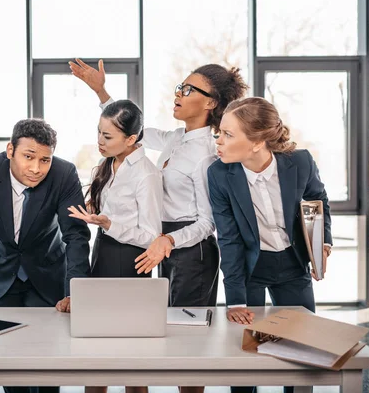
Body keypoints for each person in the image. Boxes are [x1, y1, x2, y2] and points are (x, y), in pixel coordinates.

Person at [69, 59, 247, 311]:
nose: (179, 94)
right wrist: (101, 92)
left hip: (191, 253)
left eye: (188, 90)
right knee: (164, 327)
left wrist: (170, 241)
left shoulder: (207, 153)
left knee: (185, 336)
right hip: (163, 245)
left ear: (210, 102)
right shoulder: (175, 138)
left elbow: (208, 223)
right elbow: (128, 130)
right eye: (180, 87)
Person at [0, 118, 91, 393]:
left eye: (45, 160)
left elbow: (75, 235)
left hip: (48, 272)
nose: (36, 168)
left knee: (48, 363)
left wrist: (76, 291)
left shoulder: (64, 174)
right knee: (8, 359)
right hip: (1, 272)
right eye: (28, 157)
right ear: (10, 150)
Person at [207, 97, 332, 393]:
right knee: (245, 356)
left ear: (257, 142)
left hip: (292, 262)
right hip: (250, 267)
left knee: (301, 352)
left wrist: (321, 244)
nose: (218, 141)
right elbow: (229, 238)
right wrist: (235, 297)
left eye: (228, 134)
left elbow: (318, 201)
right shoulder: (219, 175)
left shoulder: (299, 161)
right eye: (219, 133)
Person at [66, 99, 162, 393]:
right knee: (94, 358)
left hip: (130, 263)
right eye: (98, 133)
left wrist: (109, 224)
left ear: (131, 139)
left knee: (133, 361)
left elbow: (151, 236)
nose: (99, 141)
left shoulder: (146, 173)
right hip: (104, 254)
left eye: (107, 137)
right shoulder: (110, 163)